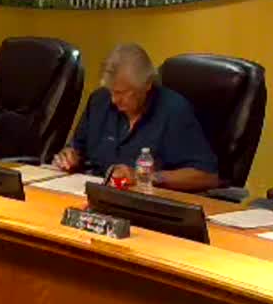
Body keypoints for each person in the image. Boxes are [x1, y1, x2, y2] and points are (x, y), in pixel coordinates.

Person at [52, 43, 219, 192]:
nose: (114, 100)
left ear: (147, 85)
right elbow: (77, 149)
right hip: (94, 195)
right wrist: (69, 157)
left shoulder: (174, 110)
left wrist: (146, 177)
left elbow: (207, 176)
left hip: (146, 203)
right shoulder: (99, 101)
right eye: (111, 91)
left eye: (122, 93)